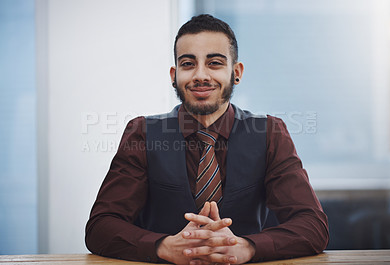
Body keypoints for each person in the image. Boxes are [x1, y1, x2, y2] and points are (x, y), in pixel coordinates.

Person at [85, 14, 329, 264]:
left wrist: (246, 247)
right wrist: (163, 247)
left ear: (236, 72)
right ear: (174, 74)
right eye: (188, 64)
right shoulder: (142, 133)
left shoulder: (270, 133)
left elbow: (313, 226)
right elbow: (100, 227)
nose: (200, 75)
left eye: (214, 63)